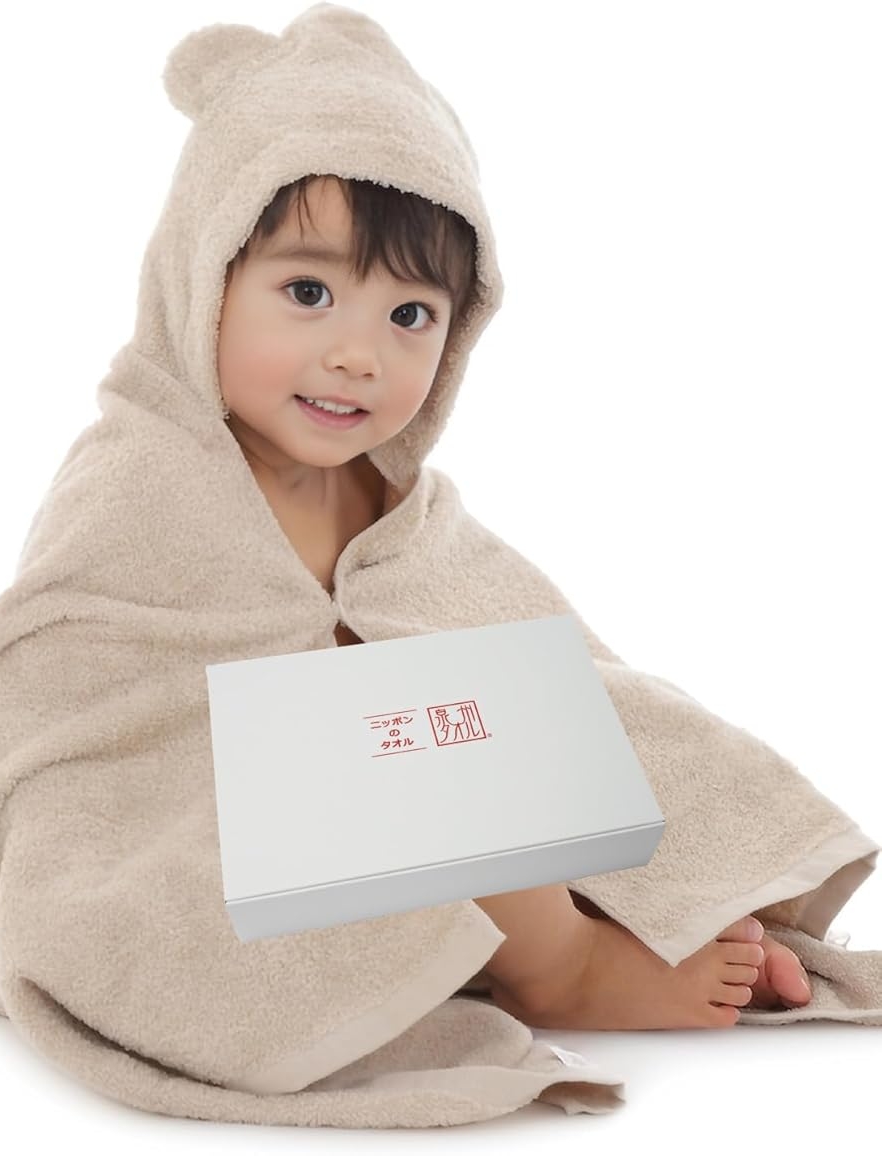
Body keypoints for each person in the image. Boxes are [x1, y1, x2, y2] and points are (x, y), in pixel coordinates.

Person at [212, 168, 813, 1030]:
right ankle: (561, 968)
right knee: (439, 746)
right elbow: (83, 697)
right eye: (309, 293)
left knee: (546, 706)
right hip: (230, 842)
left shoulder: (395, 502)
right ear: (205, 279)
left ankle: (651, 909)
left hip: (380, 838)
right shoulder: (149, 487)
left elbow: (514, 642)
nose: (358, 356)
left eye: (408, 315)